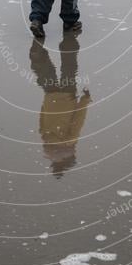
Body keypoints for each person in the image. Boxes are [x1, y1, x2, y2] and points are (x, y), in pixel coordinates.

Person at [29, 36, 91, 178]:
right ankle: (38, 56)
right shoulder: (46, 140)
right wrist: (45, 103)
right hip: (50, 97)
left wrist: (85, 99)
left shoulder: (69, 142)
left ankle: (68, 45)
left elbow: (78, 119)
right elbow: (42, 118)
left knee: (69, 67)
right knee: (45, 72)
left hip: (67, 97)